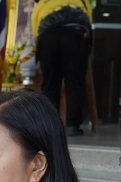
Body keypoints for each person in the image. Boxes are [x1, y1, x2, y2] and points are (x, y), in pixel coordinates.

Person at [32, 0, 91, 137]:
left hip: (48, 34)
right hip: (75, 32)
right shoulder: (82, 1)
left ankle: (50, 127)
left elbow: (36, 31)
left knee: (50, 84)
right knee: (75, 83)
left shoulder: (41, 4)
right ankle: (73, 126)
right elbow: (88, 22)